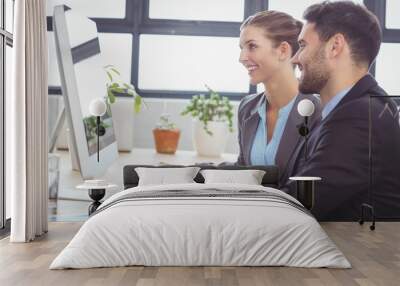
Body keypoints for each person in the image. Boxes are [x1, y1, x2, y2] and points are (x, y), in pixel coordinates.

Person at [282, 1, 400, 221]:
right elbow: (292, 178)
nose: (295, 58)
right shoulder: (345, 110)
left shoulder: (361, 118)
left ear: (335, 46)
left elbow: (299, 204)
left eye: (303, 45)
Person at [237, 10, 321, 187]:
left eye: (252, 46)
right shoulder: (247, 108)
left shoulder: (318, 112)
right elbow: (242, 171)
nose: (242, 58)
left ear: (283, 50)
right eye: (241, 48)